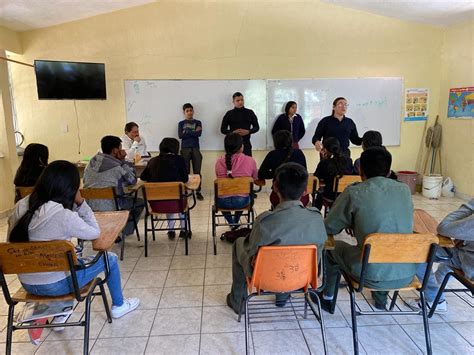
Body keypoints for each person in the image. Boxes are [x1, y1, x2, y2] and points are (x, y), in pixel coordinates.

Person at [8, 161, 139, 321]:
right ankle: (119, 306)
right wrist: (81, 203)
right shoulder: (63, 216)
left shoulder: (19, 206)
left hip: (27, 284)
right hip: (57, 286)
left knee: (69, 259)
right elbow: (94, 232)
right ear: (72, 187)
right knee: (109, 258)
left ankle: (60, 312)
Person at [321, 147, 414, 311]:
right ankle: (380, 300)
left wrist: (352, 222)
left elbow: (329, 227)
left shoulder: (354, 192)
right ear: (389, 171)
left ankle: (327, 297)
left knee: (332, 248)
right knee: (387, 245)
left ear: (360, 169)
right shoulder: (404, 190)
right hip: (406, 272)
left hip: (369, 274)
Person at [226, 162, 327, 313]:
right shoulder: (317, 218)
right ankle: (282, 296)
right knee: (294, 246)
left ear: (275, 188)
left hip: (265, 279)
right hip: (304, 277)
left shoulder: (265, 221)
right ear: (305, 190)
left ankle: (238, 302)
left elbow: (251, 250)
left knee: (239, 243)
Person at [408, 199, 474, 313]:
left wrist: (470, 205)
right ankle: (436, 295)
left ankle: (435, 301)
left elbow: (443, 228)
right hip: (467, 256)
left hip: (469, 265)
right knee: (446, 262)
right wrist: (465, 239)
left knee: (417, 251)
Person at [83, 136, 144, 237]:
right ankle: (121, 234)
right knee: (139, 202)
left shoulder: (90, 163)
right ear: (115, 150)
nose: (122, 150)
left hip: (89, 205)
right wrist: (123, 160)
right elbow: (132, 180)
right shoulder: (117, 167)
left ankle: (116, 233)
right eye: (120, 148)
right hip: (112, 205)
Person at [141, 138, 189, 239]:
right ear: (175, 148)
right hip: (177, 204)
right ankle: (184, 230)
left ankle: (170, 230)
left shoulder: (153, 161)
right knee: (179, 196)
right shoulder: (180, 160)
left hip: (156, 205)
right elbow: (185, 178)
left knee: (167, 196)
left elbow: (143, 177)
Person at [215, 133, 257, 228]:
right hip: (242, 201)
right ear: (241, 147)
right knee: (243, 194)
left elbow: (219, 179)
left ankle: (231, 222)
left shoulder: (219, 162)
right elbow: (255, 179)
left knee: (224, 197)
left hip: (222, 202)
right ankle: (235, 221)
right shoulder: (250, 160)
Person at [258, 130, 308, 207]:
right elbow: (304, 172)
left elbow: (261, 174)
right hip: (301, 197)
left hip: (279, 197)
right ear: (291, 141)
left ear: (276, 142)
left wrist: (276, 173)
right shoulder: (299, 153)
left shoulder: (272, 154)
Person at [312, 97, 362, 167]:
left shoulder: (349, 122)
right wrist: (316, 142)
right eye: (340, 104)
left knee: (345, 176)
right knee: (327, 175)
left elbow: (355, 140)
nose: (343, 106)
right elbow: (316, 137)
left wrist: (366, 138)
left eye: (345, 104)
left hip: (344, 154)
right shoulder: (325, 121)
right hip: (328, 153)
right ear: (334, 107)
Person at [313, 137, 350, 210]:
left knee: (319, 193)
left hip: (329, 197)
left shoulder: (323, 163)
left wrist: (324, 159)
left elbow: (316, 178)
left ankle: (316, 213)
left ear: (325, 150)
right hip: (345, 197)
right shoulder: (348, 161)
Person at [221, 92, 260, 156]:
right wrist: (232, 132)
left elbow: (257, 127)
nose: (240, 102)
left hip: (246, 144)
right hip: (233, 145)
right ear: (233, 102)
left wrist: (248, 131)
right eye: (238, 100)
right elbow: (222, 129)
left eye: (242, 100)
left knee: (247, 164)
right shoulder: (229, 114)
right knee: (233, 165)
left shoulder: (250, 112)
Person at [178, 103, 204, 201]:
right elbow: (180, 135)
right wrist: (193, 132)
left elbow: (199, 134)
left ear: (193, 111)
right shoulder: (181, 123)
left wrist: (187, 131)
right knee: (186, 171)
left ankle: (198, 191)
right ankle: (185, 192)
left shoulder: (198, 122)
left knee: (197, 171)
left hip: (195, 148)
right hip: (185, 148)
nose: (189, 112)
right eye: (187, 111)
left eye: (191, 110)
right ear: (184, 112)